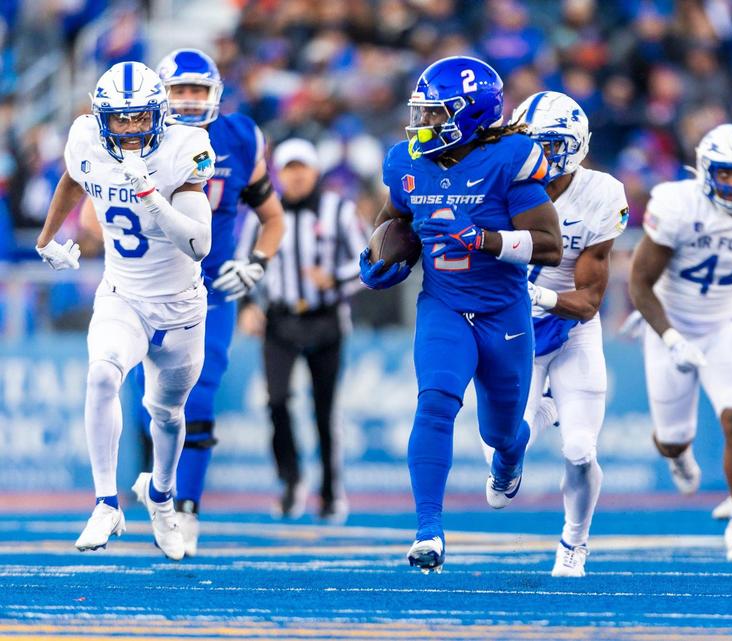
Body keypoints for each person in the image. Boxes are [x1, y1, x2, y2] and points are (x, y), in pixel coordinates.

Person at [358, 56, 562, 573]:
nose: (422, 123)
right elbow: (393, 221)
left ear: (469, 115)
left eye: (435, 113)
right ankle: (429, 530)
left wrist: (485, 240)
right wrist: (377, 259)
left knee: (501, 431)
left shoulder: (509, 160)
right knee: (436, 402)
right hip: (444, 303)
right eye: (421, 111)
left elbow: (550, 246)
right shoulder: (406, 163)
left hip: (503, 311)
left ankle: (510, 457)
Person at [35, 61, 215, 560]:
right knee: (101, 376)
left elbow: (200, 243)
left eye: (140, 118)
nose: (131, 129)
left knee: (167, 412)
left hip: (180, 306)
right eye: (120, 119)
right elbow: (75, 177)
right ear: (101, 118)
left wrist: (150, 195)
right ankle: (105, 501)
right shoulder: (85, 138)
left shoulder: (187, 147)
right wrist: (48, 236)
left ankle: (160, 496)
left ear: (158, 115)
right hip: (123, 295)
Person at [628, 123, 732, 563]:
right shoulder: (679, 205)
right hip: (672, 324)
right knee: (671, 439)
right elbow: (640, 283)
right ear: (705, 170)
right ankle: (676, 452)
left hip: (726, 324)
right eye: (726, 174)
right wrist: (668, 335)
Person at [149, 47, 285, 556]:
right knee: (152, 400)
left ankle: (187, 507)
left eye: (196, 91)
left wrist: (256, 264)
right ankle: (159, 487)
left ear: (216, 95)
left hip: (209, 290)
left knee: (200, 394)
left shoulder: (240, 137)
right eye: (178, 90)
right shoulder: (139, 138)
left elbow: (273, 218)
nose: (187, 101)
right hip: (150, 285)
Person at [510, 91, 628, 577]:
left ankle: (573, 543)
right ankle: (544, 409)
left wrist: (542, 299)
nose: (538, 155)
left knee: (580, 450)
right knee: (501, 471)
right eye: (529, 143)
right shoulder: (501, 183)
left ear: (574, 146)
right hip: (513, 333)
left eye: (549, 145)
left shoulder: (601, 193)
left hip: (569, 324)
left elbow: (588, 303)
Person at [234, 138, 364, 524]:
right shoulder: (263, 212)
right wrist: (247, 306)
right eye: (288, 168)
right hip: (280, 319)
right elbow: (244, 265)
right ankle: (291, 482)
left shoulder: (339, 210)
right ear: (279, 173)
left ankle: (329, 491)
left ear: (315, 171)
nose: (295, 175)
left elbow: (367, 262)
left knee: (324, 410)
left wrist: (334, 279)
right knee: (276, 402)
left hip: (326, 319)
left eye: (301, 167)